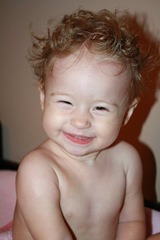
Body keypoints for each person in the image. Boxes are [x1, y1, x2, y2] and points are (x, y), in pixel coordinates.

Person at [12, 9, 159, 240]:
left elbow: (132, 220)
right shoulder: (38, 171)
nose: (80, 121)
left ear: (127, 113)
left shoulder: (127, 160)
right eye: (66, 102)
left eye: (100, 107)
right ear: (44, 98)